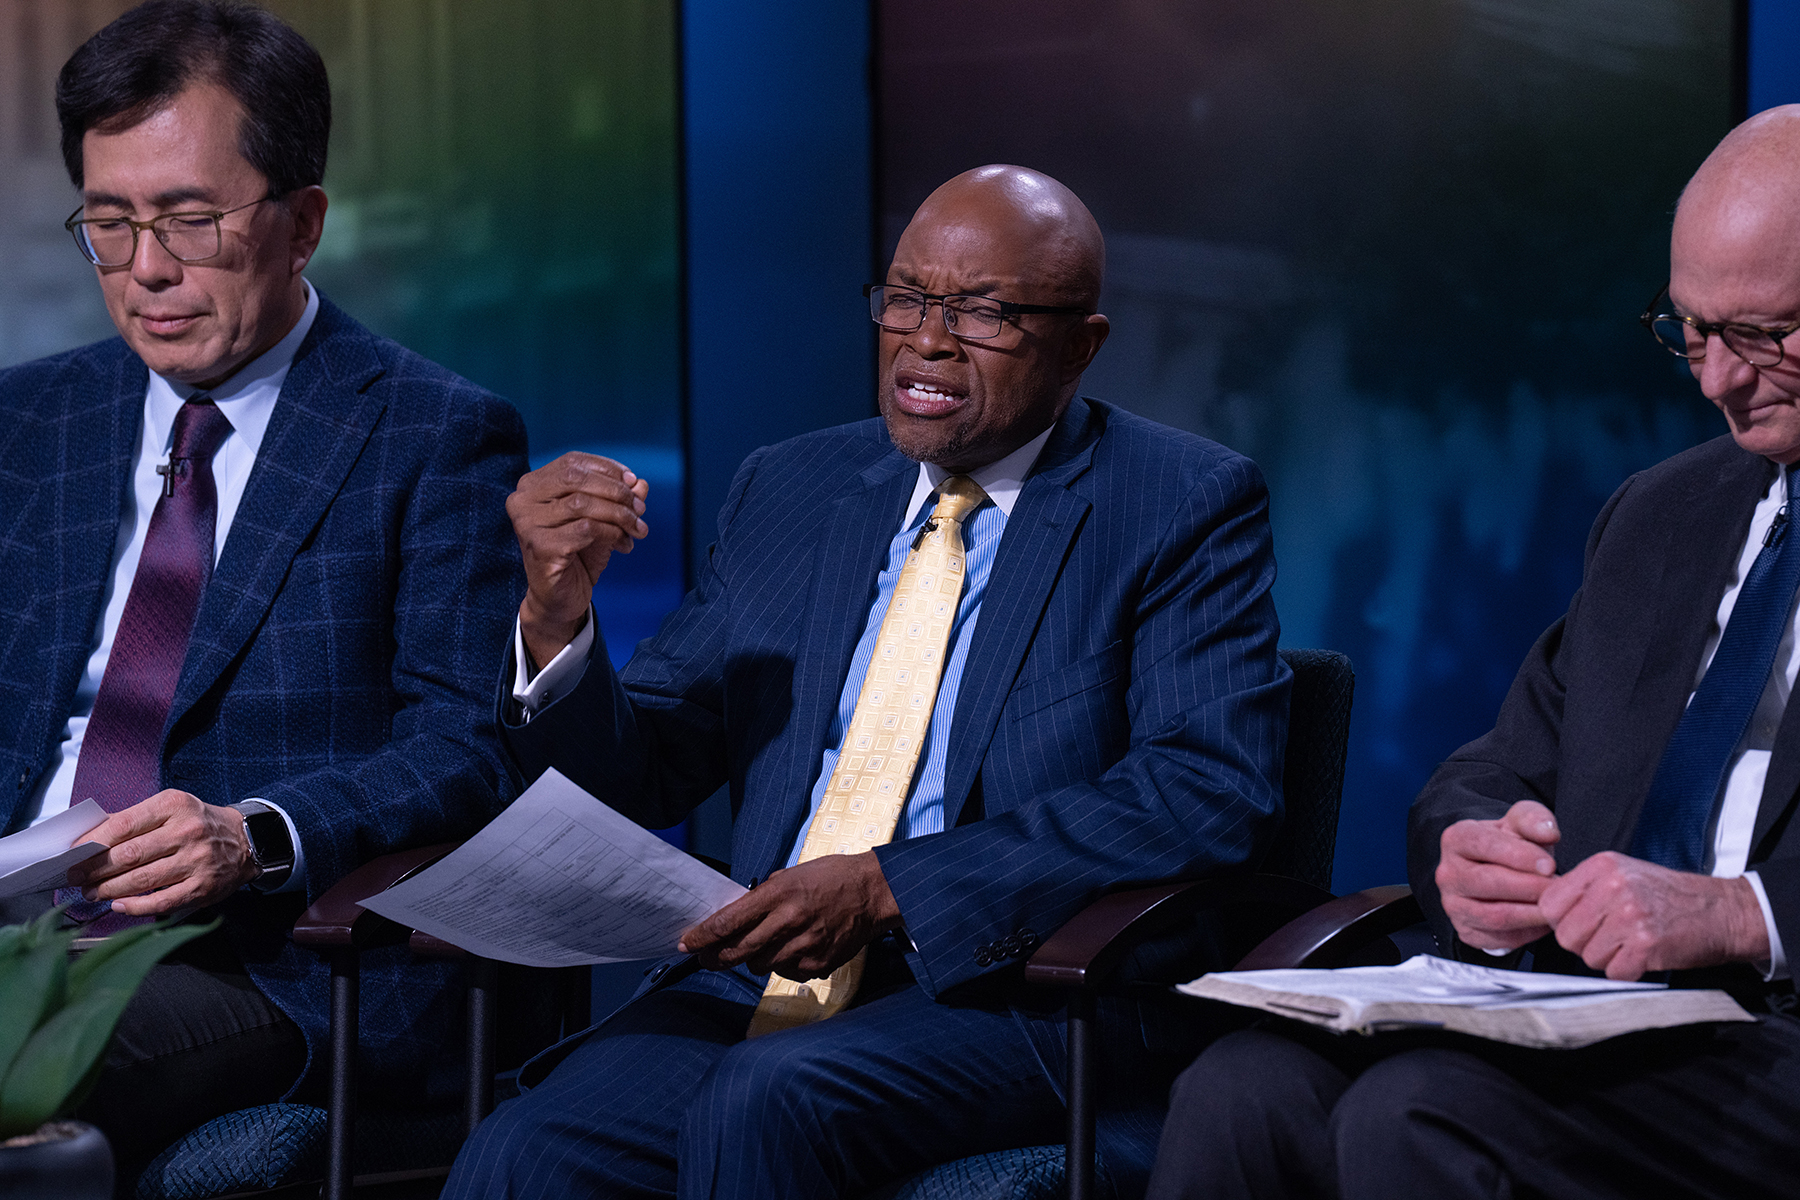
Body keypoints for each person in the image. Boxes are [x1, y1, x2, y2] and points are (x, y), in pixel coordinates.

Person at [441, 164, 1290, 1199]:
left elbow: (1205, 787)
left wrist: (893, 889)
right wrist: (558, 620)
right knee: (527, 1146)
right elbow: (650, 764)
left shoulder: (1179, 503)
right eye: (907, 298)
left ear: (1082, 347)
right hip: (764, 980)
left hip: (1018, 991)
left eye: (984, 313)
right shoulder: (794, 484)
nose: (927, 340)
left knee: (766, 1100)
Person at [1145, 105, 1800, 1200]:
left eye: (1767, 335)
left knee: (1421, 1114)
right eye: (1692, 330)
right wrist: (1471, 848)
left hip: (1775, 1033)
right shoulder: (1665, 514)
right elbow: (1499, 764)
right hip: (1608, 1012)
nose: (1715, 381)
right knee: (1244, 1088)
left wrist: (1742, 914)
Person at [0, 0, 527, 1183]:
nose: (146, 270)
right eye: (110, 222)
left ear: (302, 224)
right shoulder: (28, 422)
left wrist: (256, 837)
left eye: (190, 220)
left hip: (255, 961)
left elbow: (468, 745)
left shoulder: (433, 435)